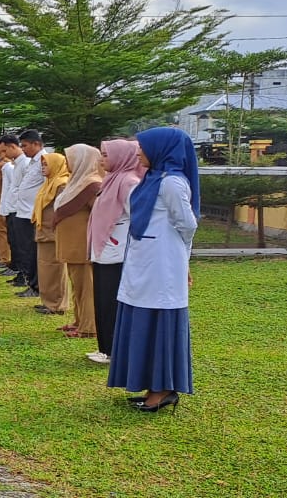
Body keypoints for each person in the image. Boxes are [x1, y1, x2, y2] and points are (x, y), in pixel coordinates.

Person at [108, 128, 199, 412]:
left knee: (159, 318)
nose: (137, 152)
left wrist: (182, 262)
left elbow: (188, 225)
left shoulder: (172, 183)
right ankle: (151, 385)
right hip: (144, 261)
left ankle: (164, 389)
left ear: (161, 149)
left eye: (142, 147)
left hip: (162, 265)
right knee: (141, 317)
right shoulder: (152, 178)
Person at [85, 139, 144, 364]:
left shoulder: (129, 182)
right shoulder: (111, 179)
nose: (101, 160)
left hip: (117, 254)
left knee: (112, 303)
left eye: (106, 155)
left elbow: (137, 218)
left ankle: (114, 350)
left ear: (121, 157)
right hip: (104, 251)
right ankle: (105, 347)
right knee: (102, 301)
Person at [52, 144, 102, 338]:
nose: (67, 162)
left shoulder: (93, 184)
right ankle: (79, 320)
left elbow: (99, 214)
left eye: (71, 158)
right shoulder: (78, 181)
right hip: (73, 245)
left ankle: (89, 327)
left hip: (83, 246)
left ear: (83, 160)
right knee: (77, 285)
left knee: (87, 287)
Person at [32, 152, 70, 315]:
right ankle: (48, 302)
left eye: (46, 164)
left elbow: (62, 211)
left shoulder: (61, 184)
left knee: (55, 269)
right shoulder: (49, 183)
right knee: (45, 268)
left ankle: (57, 304)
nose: (43, 167)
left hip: (54, 234)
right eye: (42, 164)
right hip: (44, 232)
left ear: (56, 165)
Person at [11, 130, 47, 298]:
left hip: (32, 214)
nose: (23, 149)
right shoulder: (32, 162)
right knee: (25, 251)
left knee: (32, 252)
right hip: (23, 212)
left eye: (25, 146)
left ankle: (36, 286)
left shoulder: (45, 161)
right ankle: (31, 283)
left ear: (36, 144)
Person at [0, 134, 25, 279]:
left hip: (19, 210)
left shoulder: (16, 166)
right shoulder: (16, 165)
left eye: (4, 152)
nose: (4, 157)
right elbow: (11, 189)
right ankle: (15, 267)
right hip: (12, 208)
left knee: (20, 244)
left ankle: (20, 271)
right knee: (13, 240)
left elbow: (16, 190)